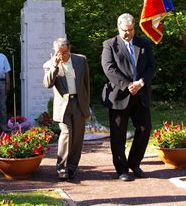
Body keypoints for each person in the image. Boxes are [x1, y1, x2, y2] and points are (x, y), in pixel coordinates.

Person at [101, 13, 155, 181]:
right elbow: (109, 68)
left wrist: (141, 82)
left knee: (144, 128)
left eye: (131, 30)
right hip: (119, 96)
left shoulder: (144, 44)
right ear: (118, 28)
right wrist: (127, 85)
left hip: (140, 94)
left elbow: (151, 66)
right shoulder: (110, 45)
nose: (128, 34)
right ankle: (121, 169)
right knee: (118, 135)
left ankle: (134, 163)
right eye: (125, 30)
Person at [43, 38, 90, 181]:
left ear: (69, 50)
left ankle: (72, 167)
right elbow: (47, 84)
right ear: (54, 51)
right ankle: (61, 168)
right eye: (58, 53)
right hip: (62, 105)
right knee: (67, 133)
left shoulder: (81, 60)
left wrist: (87, 105)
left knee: (77, 137)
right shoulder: (49, 64)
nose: (61, 56)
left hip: (78, 103)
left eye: (64, 53)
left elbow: (86, 84)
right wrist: (55, 66)